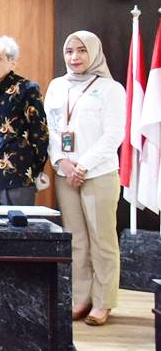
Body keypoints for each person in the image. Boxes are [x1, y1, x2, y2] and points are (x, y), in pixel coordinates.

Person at [44, 31, 124, 326]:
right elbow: (51, 130)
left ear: (94, 53)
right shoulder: (56, 86)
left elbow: (114, 135)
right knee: (76, 239)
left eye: (81, 51)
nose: (75, 57)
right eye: (69, 51)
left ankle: (104, 302)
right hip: (66, 174)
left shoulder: (110, 88)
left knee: (102, 240)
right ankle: (80, 297)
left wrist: (83, 166)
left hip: (98, 173)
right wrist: (61, 162)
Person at [0, 35, 48, 205]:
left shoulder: (27, 89)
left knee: (19, 229)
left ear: (12, 63)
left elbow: (40, 134)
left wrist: (36, 169)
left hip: (18, 174)